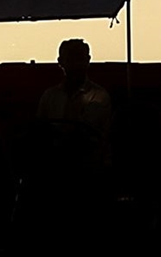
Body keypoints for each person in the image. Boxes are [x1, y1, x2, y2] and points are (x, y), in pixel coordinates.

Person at [36, 38, 112, 167]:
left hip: (88, 162)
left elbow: (89, 135)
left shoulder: (99, 96)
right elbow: (39, 130)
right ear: (61, 62)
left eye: (79, 58)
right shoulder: (49, 96)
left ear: (88, 60)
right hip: (52, 160)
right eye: (71, 59)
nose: (76, 64)